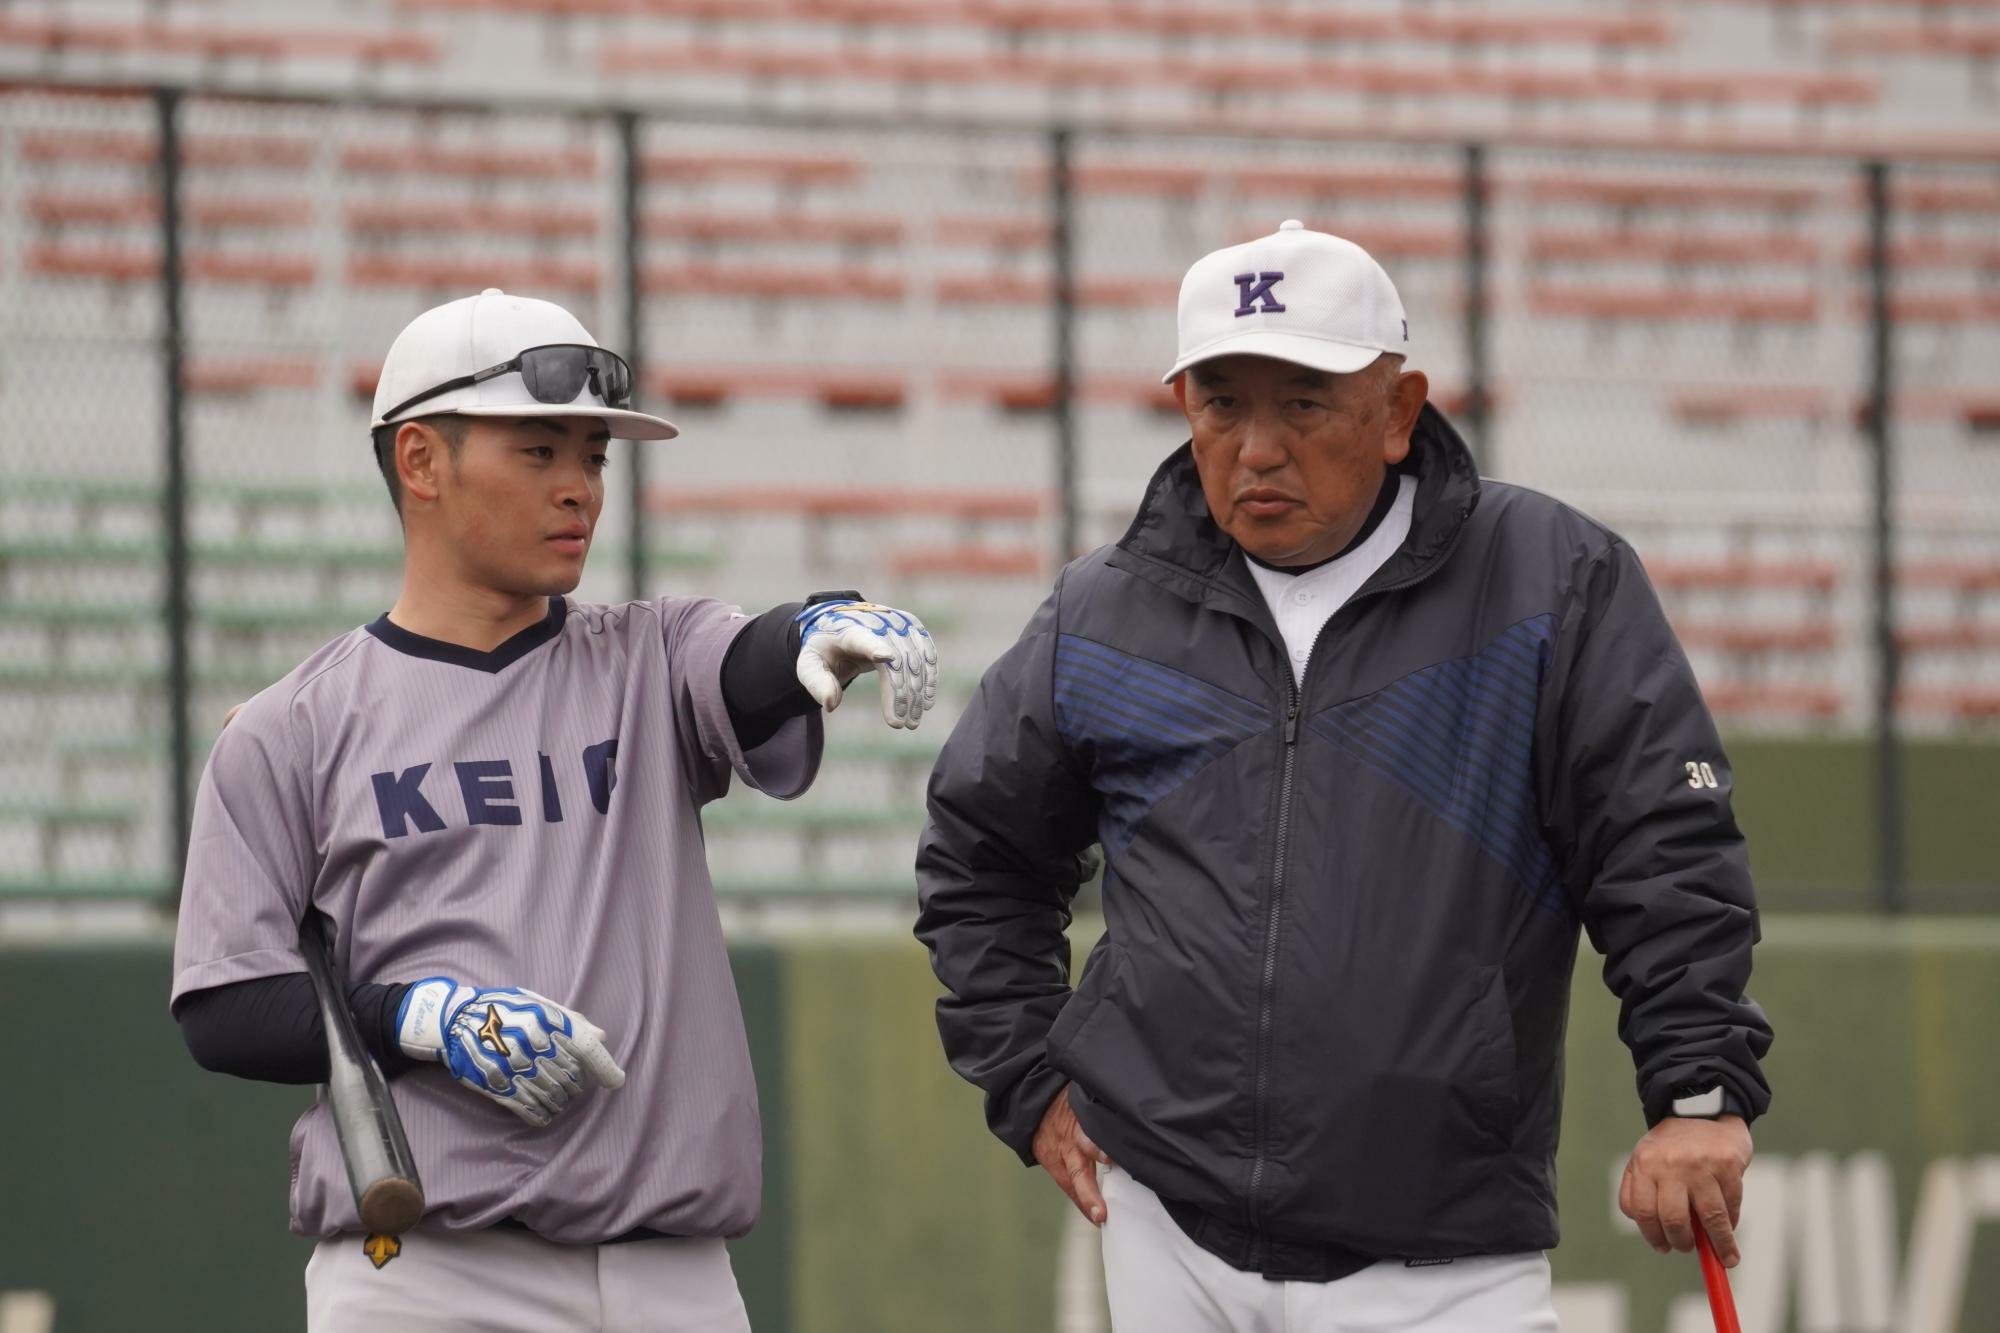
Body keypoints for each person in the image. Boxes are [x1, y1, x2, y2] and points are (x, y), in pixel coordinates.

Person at [915, 222, 1771, 1331]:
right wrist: (1031, 1082)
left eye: (1303, 404)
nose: (1256, 449)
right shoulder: (1103, 609)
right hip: (1164, 1233)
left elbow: (1661, 846)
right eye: (1221, 403)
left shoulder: (1548, 582)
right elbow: (977, 856)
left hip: (1445, 1258)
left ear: (1399, 411)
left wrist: (1696, 1094)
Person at [171, 288, 938, 1331]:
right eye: (538, 451)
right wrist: (420, 1017)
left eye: (594, 456)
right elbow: (226, 1007)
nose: (578, 487)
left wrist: (814, 626)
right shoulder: (286, 728)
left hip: (671, 1270)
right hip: (427, 1274)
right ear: (420, 462)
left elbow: (745, 662)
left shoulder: (648, 654)